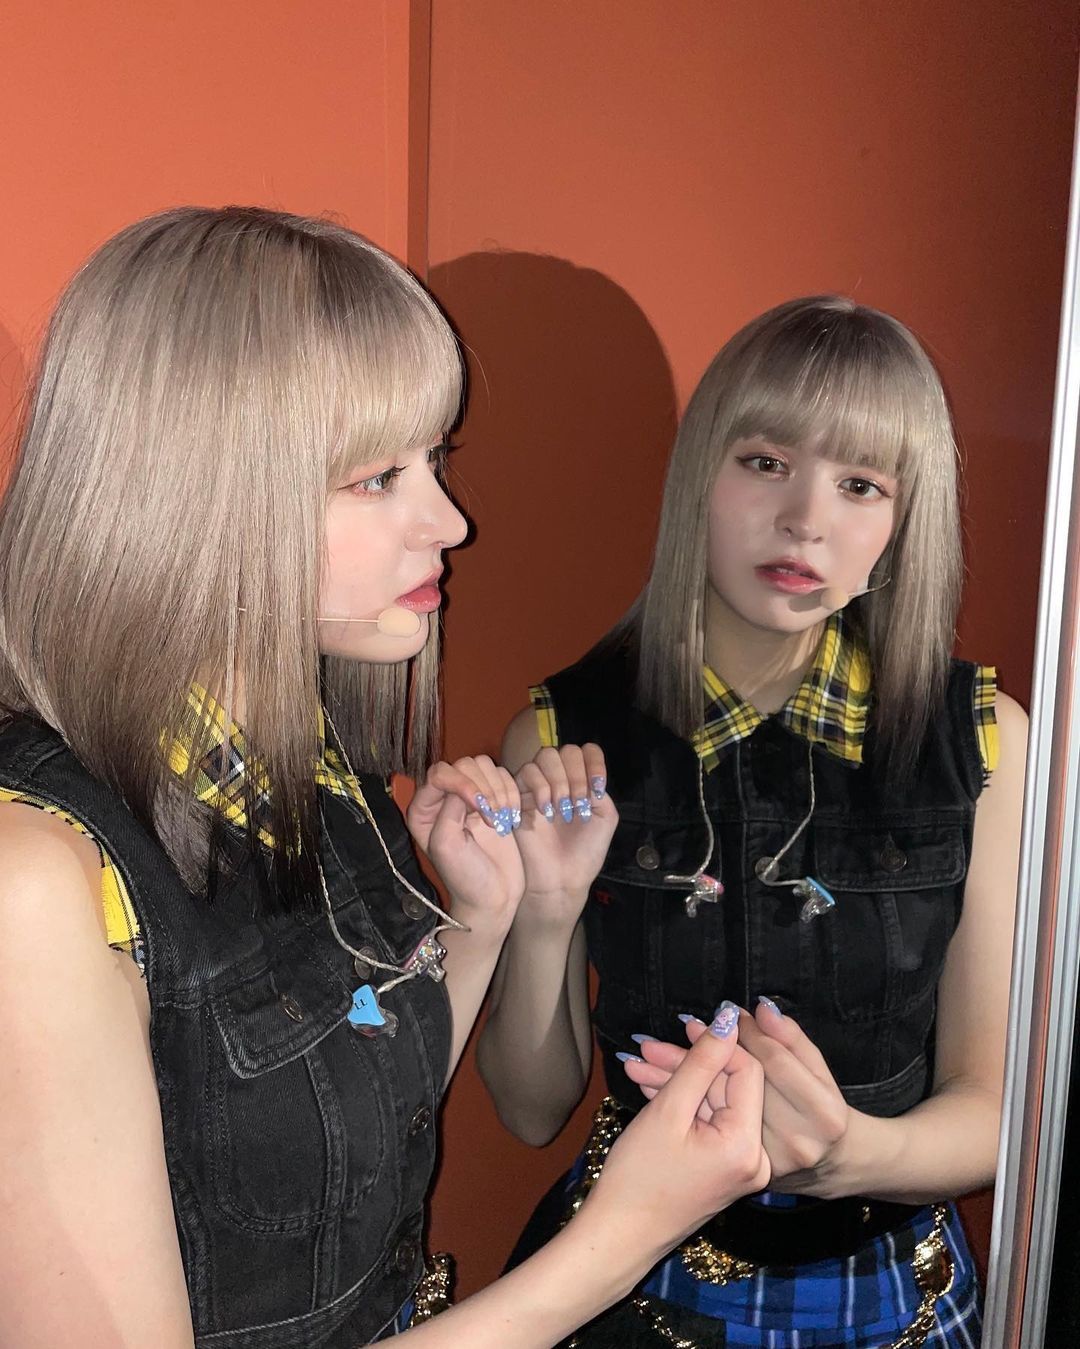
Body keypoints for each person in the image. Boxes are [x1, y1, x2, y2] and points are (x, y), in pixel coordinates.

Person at [0, 207, 771, 1349]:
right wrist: (623, 1234)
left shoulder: (301, 749)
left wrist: (485, 917)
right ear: (198, 490)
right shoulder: (37, 880)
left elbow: (340, 1133)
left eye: (435, 461)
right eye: (377, 477)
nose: (449, 521)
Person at [480, 296, 1027, 1348]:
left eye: (861, 484)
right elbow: (533, 1109)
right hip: (634, 1285)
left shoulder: (983, 742)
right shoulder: (563, 733)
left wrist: (847, 1151)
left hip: (891, 1297)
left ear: (903, 523)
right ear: (701, 476)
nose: (805, 519)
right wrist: (544, 914)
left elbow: (997, 1107)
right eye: (766, 462)